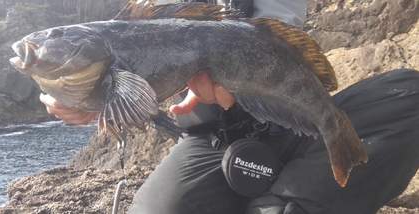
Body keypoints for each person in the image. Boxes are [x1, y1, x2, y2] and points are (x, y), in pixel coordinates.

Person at [40, 0, 419, 213]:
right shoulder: (146, 13)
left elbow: (276, 33)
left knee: (410, 96)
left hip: (289, 122)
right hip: (209, 140)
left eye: (56, 36)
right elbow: (137, 83)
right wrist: (91, 103)